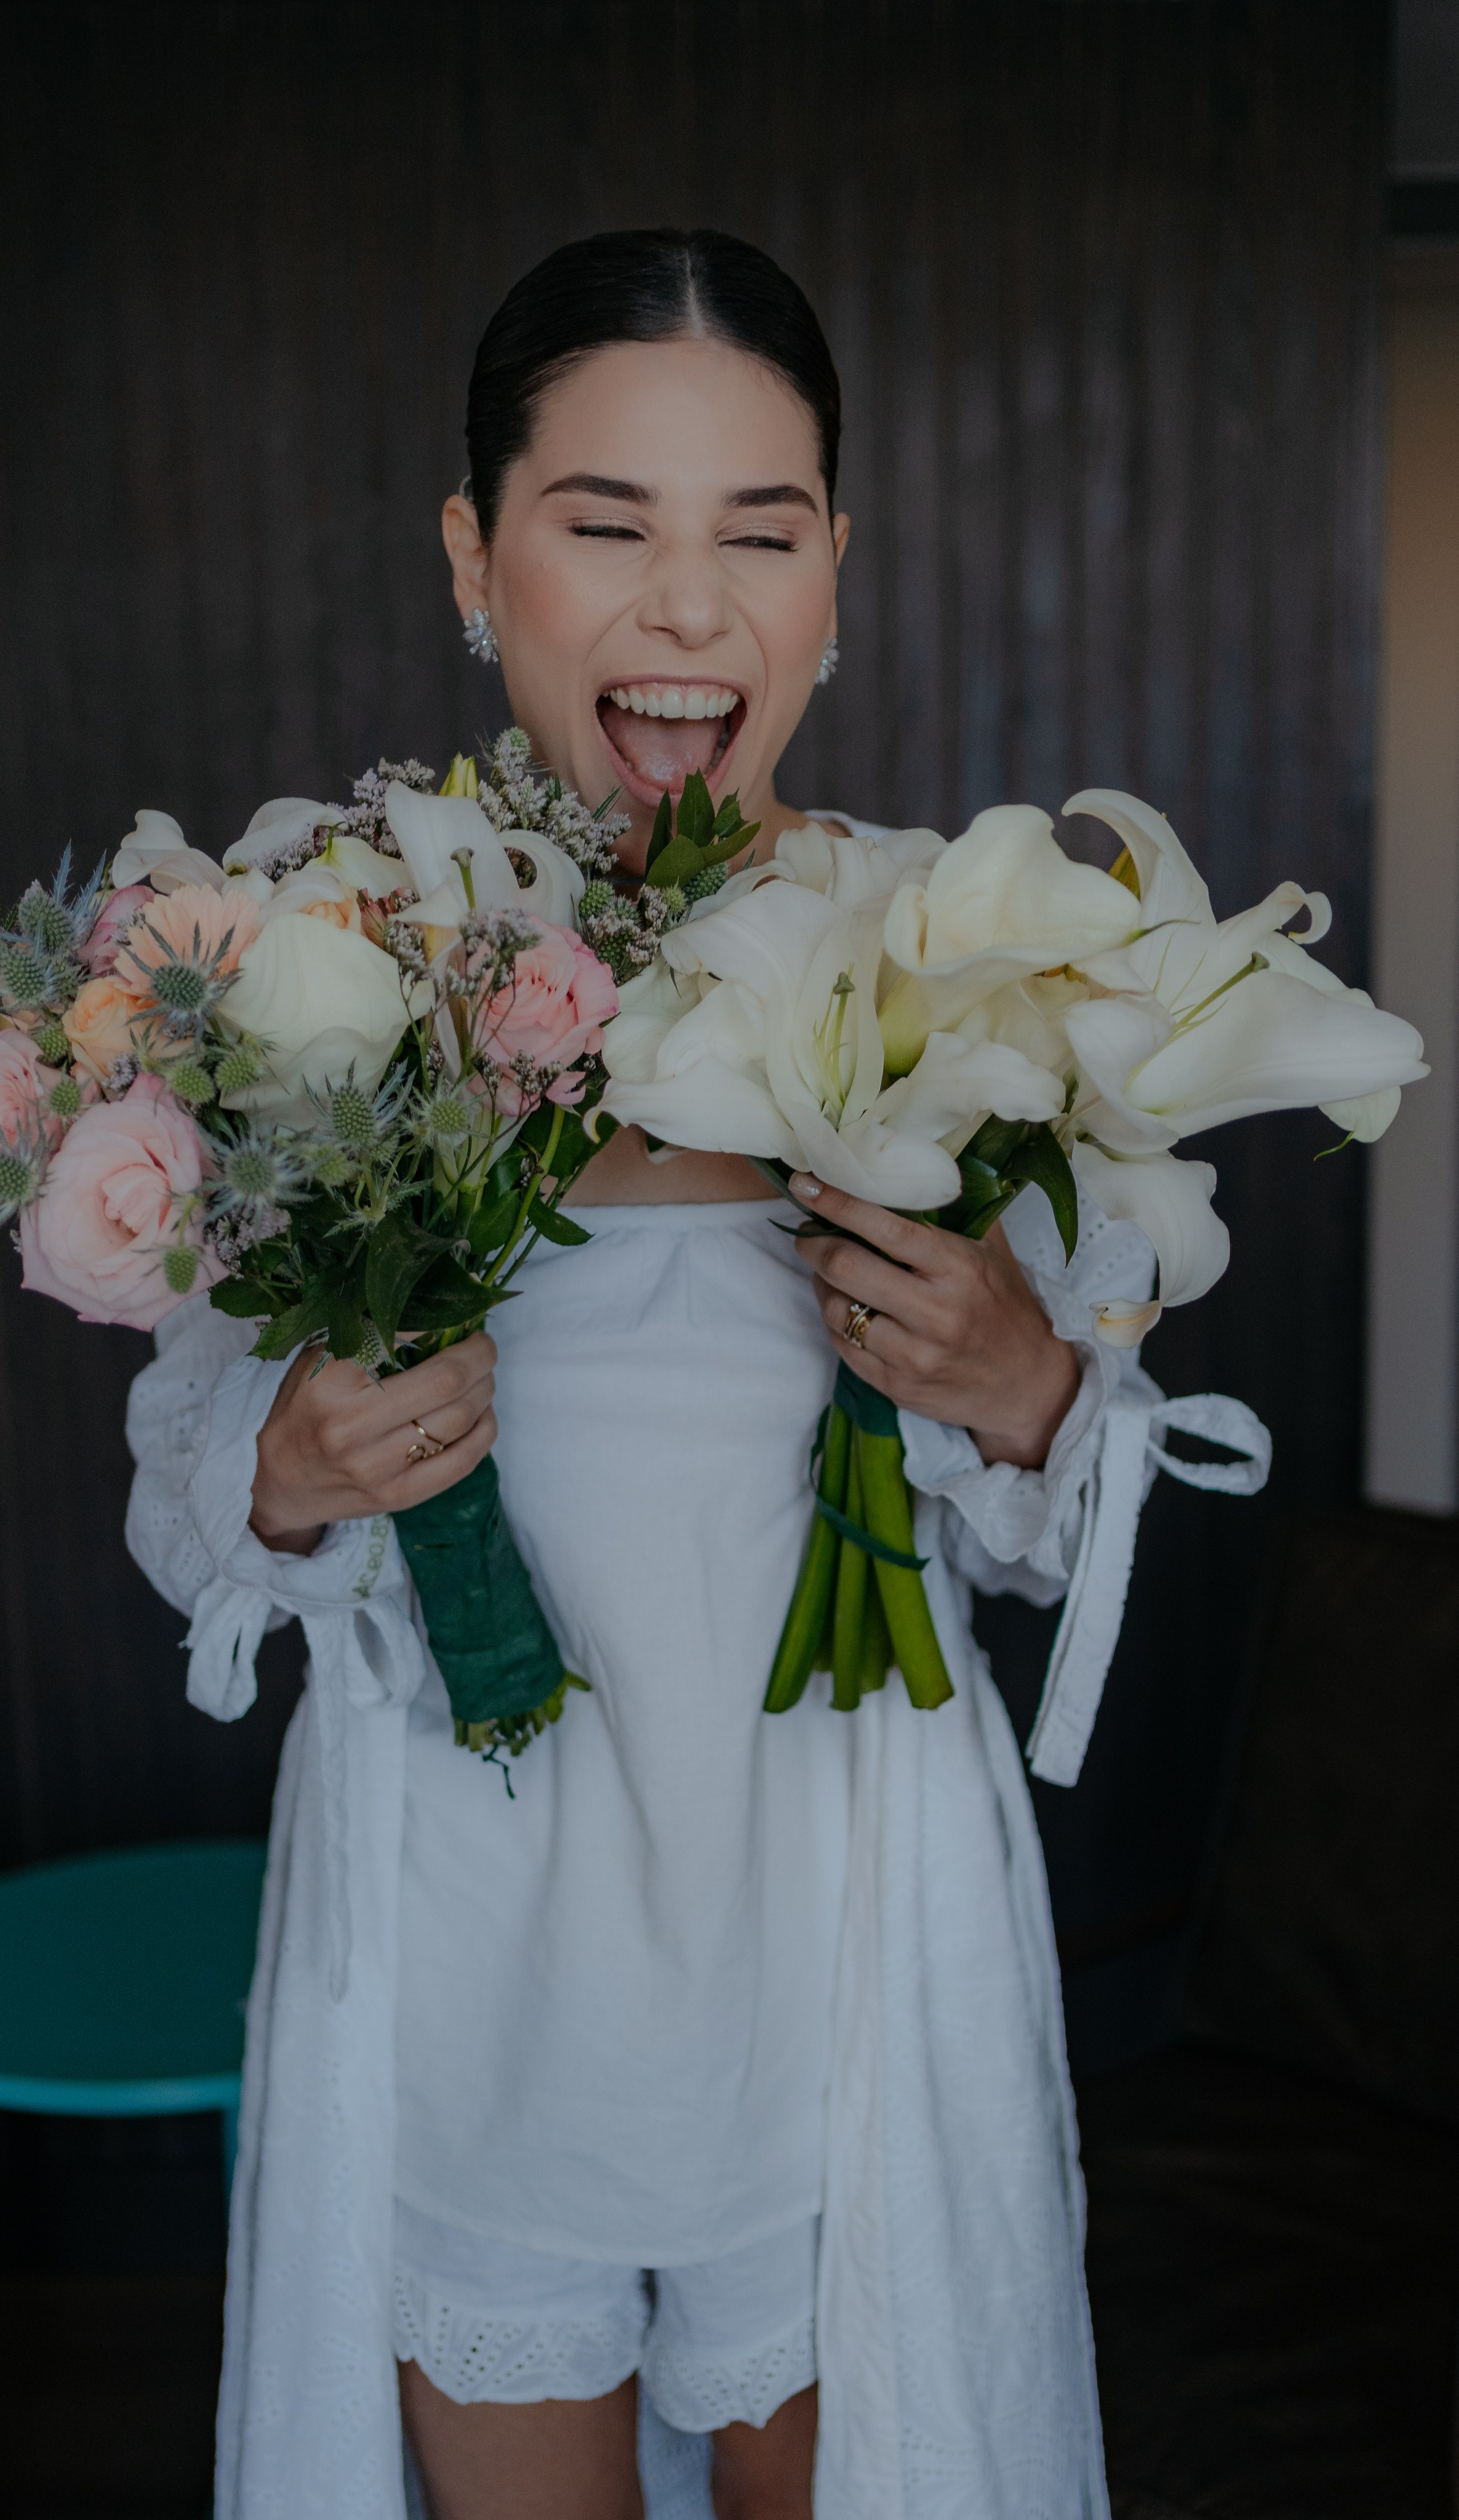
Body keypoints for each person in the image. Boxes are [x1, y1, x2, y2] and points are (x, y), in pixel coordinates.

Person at [125, 230, 1190, 2520]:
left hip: (836, 1984)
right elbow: (201, 1493)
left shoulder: (964, 951)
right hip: (484, 1982)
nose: (686, 608)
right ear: (473, 555)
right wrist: (294, 1472)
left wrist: (1021, 1384)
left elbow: (1058, 1512)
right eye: (605, 524)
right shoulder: (332, 949)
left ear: (835, 578)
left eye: (760, 533)